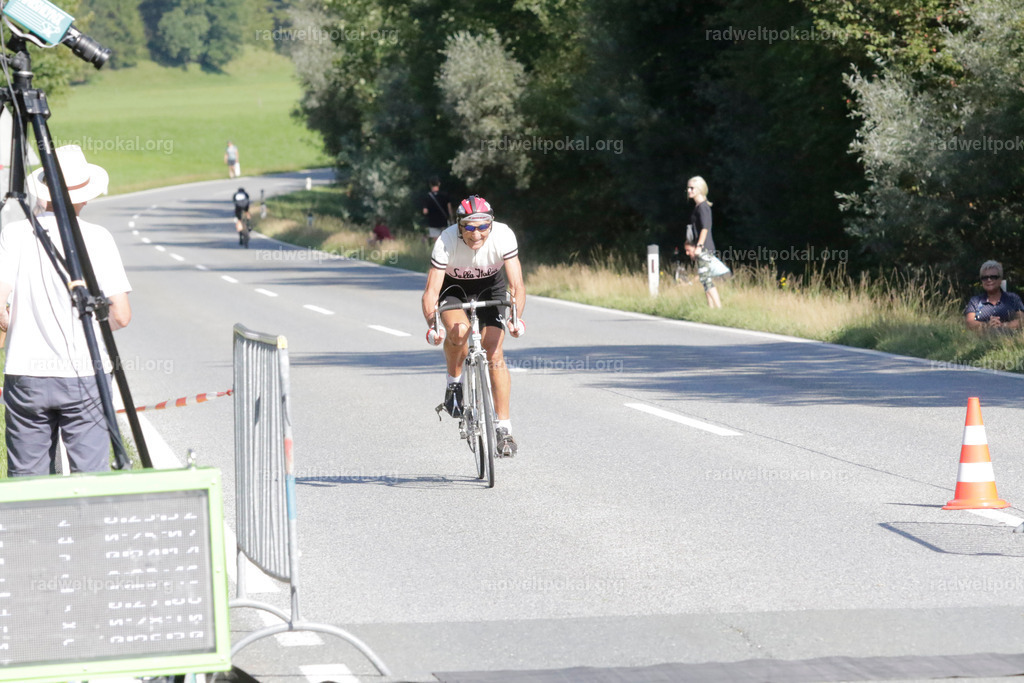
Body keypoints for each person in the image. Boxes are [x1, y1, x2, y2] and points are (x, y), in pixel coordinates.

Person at [0, 144, 132, 477]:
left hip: (25, 374)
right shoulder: (97, 238)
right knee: (90, 476)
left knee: (28, 480)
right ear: (83, 197)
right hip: (85, 372)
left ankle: (34, 514)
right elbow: (121, 315)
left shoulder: (13, 235)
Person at [421, 195, 525, 457]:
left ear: (491, 223)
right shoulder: (446, 240)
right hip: (454, 289)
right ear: (459, 226)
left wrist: (516, 318)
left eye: (483, 226)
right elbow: (431, 291)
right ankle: (454, 382)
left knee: (494, 352)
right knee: (458, 332)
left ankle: (504, 428)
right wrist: (433, 326)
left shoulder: (503, 235)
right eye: (469, 226)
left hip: (491, 288)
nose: (476, 233)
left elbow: (516, 285)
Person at [686, 175, 723, 308]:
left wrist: (700, 246)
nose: (689, 190)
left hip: (704, 248)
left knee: (706, 279)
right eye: (688, 188)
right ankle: (711, 308)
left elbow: (705, 228)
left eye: (692, 188)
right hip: (702, 247)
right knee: (704, 278)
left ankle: (718, 308)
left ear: (700, 189)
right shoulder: (698, 207)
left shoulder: (703, 207)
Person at [964, 260, 1023, 332]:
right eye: (985, 277)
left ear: (1000, 279)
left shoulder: (1013, 298)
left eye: (993, 277)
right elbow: (969, 323)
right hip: (982, 338)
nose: (989, 280)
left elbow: (1021, 320)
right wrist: (987, 325)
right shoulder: (975, 301)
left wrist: (1003, 325)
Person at [421, 176, 452, 241]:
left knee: (436, 242)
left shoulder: (427, 197)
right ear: (439, 183)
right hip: (444, 222)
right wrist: (451, 218)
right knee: (445, 241)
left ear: (430, 185)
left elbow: (425, 211)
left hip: (433, 223)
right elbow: (449, 209)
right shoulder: (445, 195)